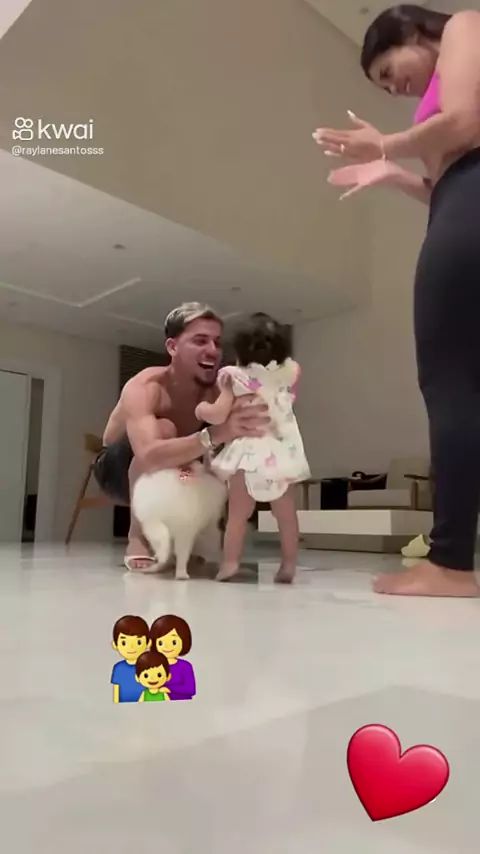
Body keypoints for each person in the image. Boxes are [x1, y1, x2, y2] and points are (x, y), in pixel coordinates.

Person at [313, 5, 480, 596]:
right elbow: (445, 187)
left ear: (411, 30)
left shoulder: (464, 25)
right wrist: (392, 172)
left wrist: (385, 144)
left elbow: (465, 124)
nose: (394, 87)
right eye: (383, 87)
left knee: (451, 381)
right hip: (460, 200)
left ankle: (450, 564)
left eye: (388, 71)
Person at [94, 302, 270, 573]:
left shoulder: (217, 391)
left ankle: (188, 540)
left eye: (216, 342)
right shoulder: (147, 386)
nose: (213, 350)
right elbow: (149, 455)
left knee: (213, 457)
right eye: (200, 340)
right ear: (173, 347)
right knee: (166, 430)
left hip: (172, 465)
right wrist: (215, 434)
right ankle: (138, 537)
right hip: (116, 470)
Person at [196, 312, 310, 583]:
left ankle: (230, 564)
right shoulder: (289, 374)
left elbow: (218, 415)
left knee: (237, 515)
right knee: (286, 515)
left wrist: (201, 409)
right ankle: (288, 565)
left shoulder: (234, 378)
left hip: (248, 455)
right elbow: (289, 400)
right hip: (281, 454)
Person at [149, 614, 196, 700]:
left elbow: (190, 689)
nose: (167, 647)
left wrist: (169, 689)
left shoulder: (185, 666)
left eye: (174, 642)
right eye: (161, 643)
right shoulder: (151, 665)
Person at [111, 615, 151, 703]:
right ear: (115, 645)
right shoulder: (118, 668)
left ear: (148, 643)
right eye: (124, 643)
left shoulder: (150, 665)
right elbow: (116, 690)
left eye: (138, 642)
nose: (132, 647)